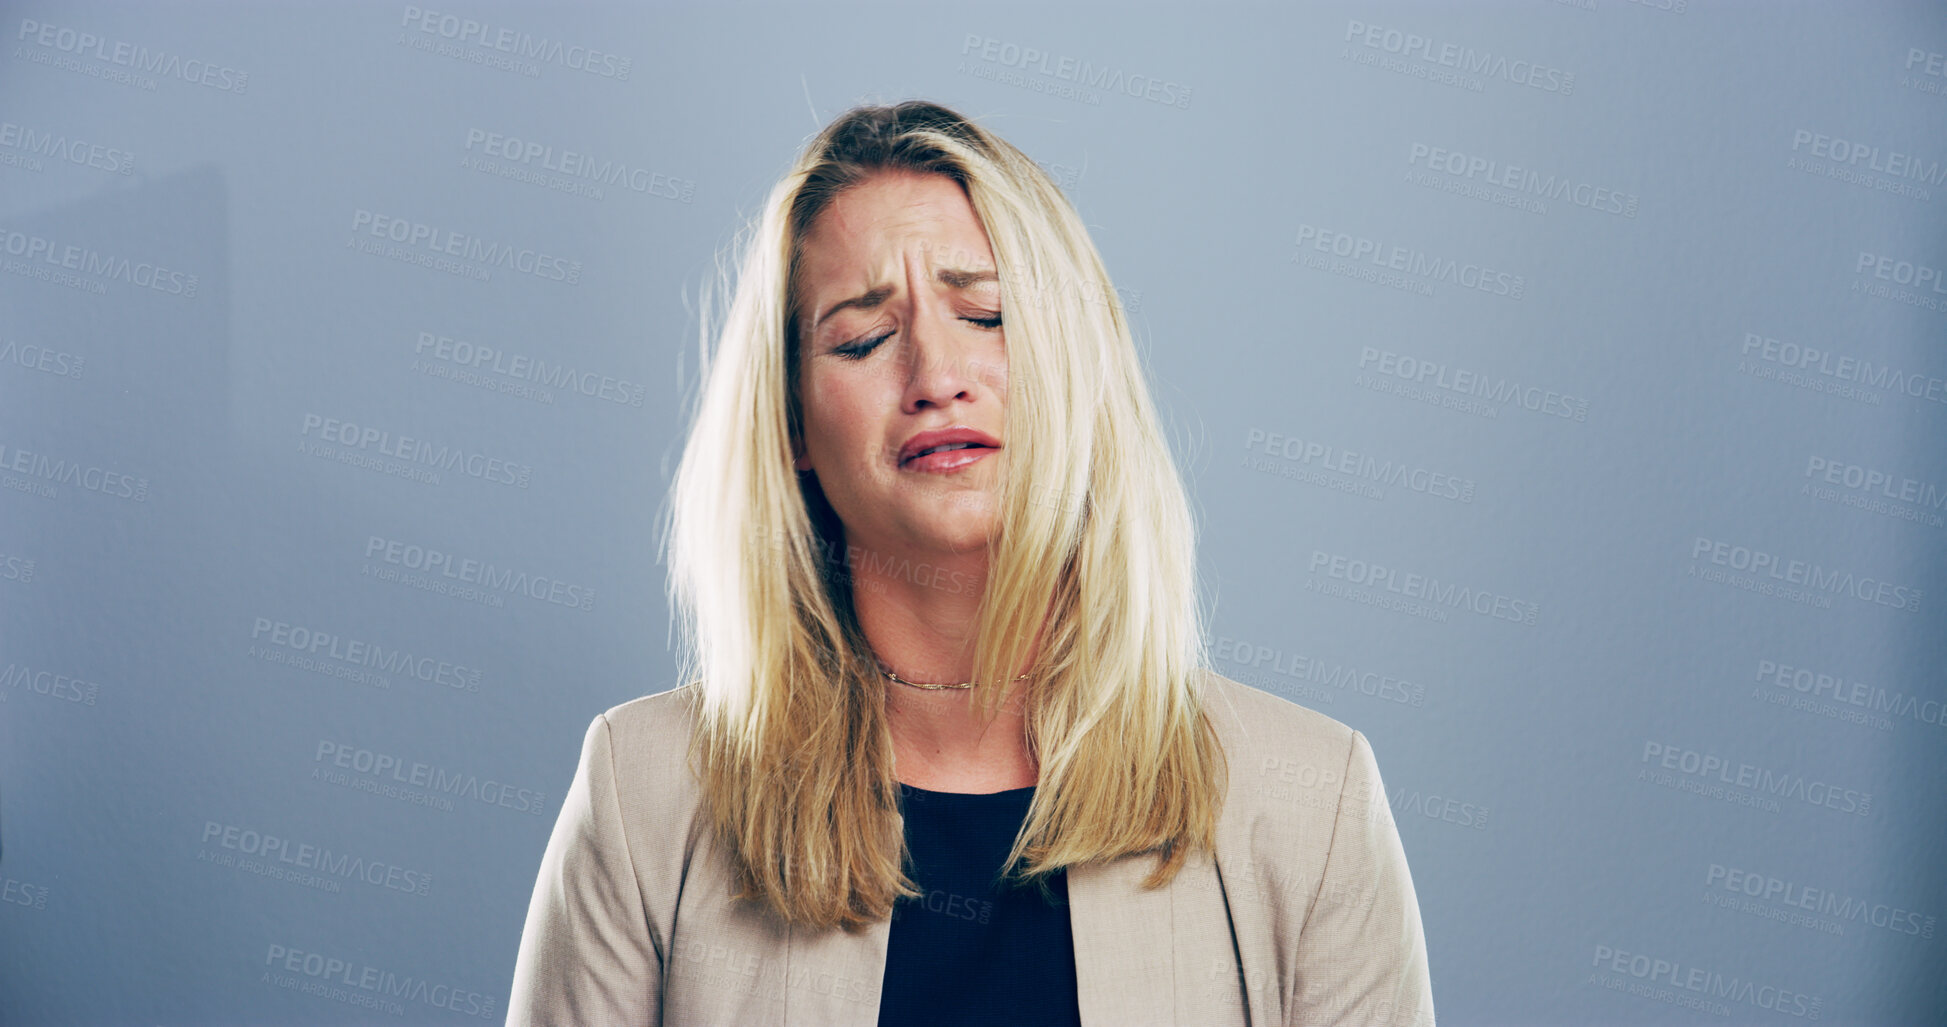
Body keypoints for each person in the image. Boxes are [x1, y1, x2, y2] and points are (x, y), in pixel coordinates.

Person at [507, 99, 1434, 1027]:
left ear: (1076, 363)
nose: (936, 376)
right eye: (862, 338)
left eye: (986, 314)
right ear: (790, 422)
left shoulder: (1310, 803)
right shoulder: (644, 791)